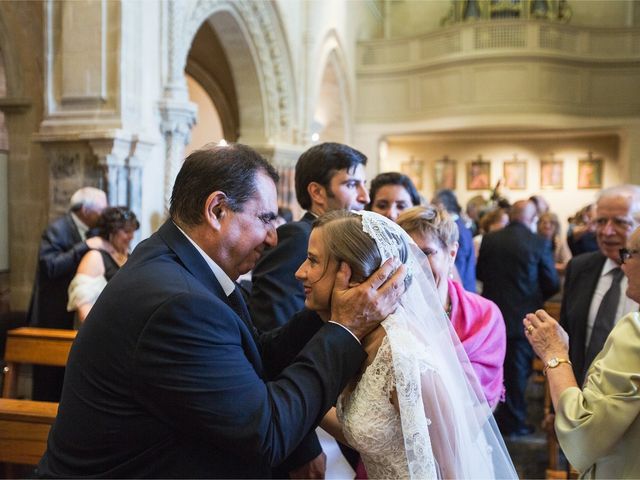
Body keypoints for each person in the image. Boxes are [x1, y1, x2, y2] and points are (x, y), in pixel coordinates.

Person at [35, 143, 405, 478]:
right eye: (265, 218)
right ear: (217, 210)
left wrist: (325, 309)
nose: (274, 236)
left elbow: (255, 355)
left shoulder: (180, 265)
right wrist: (345, 327)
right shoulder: (179, 304)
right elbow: (267, 433)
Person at [296, 210, 516, 478]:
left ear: (349, 272)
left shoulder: (403, 355)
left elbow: (450, 469)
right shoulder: (363, 338)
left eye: (313, 261)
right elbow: (369, 430)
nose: (300, 272)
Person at [523, 226, 640, 479]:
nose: (623, 265)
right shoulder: (582, 267)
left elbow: (583, 432)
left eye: (629, 254)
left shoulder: (636, 331)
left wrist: (554, 354)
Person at [249, 142, 369, 332]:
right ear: (317, 192)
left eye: (365, 185)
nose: (365, 197)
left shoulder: (347, 242)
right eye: (352, 184)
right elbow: (277, 326)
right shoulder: (297, 237)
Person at [396, 205, 506, 408]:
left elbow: (486, 395)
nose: (416, 265)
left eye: (426, 253)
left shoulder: (485, 316)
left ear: (452, 253)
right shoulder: (390, 313)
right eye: (407, 254)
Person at [477, 199, 559, 437]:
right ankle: (515, 422)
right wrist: (533, 296)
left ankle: (493, 419)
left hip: (493, 315)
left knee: (493, 369)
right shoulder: (538, 242)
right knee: (518, 373)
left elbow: (481, 272)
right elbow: (551, 281)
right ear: (532, 219)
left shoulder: (491, 239)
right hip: (523, 316)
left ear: (511, 215)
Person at [28, 186, 110, 401]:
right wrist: (84, 246)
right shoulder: (57, 229)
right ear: (85, 209)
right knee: (48, 382)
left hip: (71, 315)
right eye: (102, 209)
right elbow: (50, 267)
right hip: (52, 315)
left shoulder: (94, 232)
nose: (105, 214)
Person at [560, 185, 640, 385]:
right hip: (577, 396)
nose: (607, 231)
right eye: (601, 221)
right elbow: (566, 339)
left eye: (620, 222)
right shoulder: (579, 268)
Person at [67, 207, 140, 324]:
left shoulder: (131, 257)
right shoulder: (94, 257)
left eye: (133, 231)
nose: (131, 236)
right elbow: (83, 305)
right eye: (126, 231)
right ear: (111, 232)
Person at [433, 189, 476, 292]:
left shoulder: (454, 230)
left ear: (440, 206)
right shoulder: (460, 225)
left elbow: (457, 266)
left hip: (461, 290)